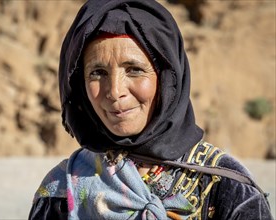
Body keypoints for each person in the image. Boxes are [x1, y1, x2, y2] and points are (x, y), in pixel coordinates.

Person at [29, 0, 273, 219]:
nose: (114, 91)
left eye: (134, 70)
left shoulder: (226, 187)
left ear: (167, 80)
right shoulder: (60, 190)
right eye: (97, 73)